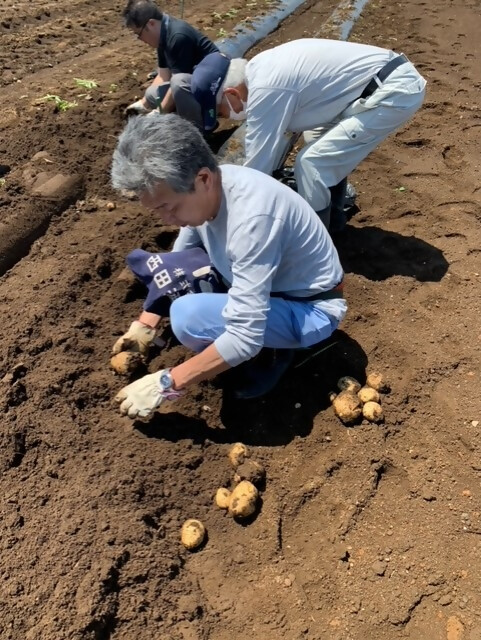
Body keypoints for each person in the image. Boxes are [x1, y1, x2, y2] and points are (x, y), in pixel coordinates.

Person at [110, 113, 347, 419]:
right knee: (184, 287)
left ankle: (274, 353)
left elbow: (245, 336)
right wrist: (147, 321)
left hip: (310, 308)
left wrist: (167, 382)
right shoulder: (213, 188)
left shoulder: (251, 221)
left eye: (168, 208)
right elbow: (177, 264)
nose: (166, 220)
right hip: (270, 285)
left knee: (186, 317)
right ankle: (258, 335)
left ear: (203, 179)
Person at [190, 39, 427, 231]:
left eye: (221, 111)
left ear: (231, 92)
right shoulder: (260, 70)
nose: (227, 117)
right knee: (315, 139)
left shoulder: (267, 88)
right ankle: (335, 220)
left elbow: (257, 167)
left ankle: (320, 240)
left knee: (311, 164)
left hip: (393, 92)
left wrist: (224, 212)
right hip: (375, 84)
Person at [123, 0, 218, 128]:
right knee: (152, 94)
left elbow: (177, 84)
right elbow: (164, 75)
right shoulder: (163, 35)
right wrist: (143, 104)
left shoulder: (178, 37)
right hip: (194, 83)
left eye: (139, 34)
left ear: (151, 24)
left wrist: (159, 112)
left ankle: (199, 129)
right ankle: (182, 118)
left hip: (214, 87)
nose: (141, 40)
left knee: (178, 85)